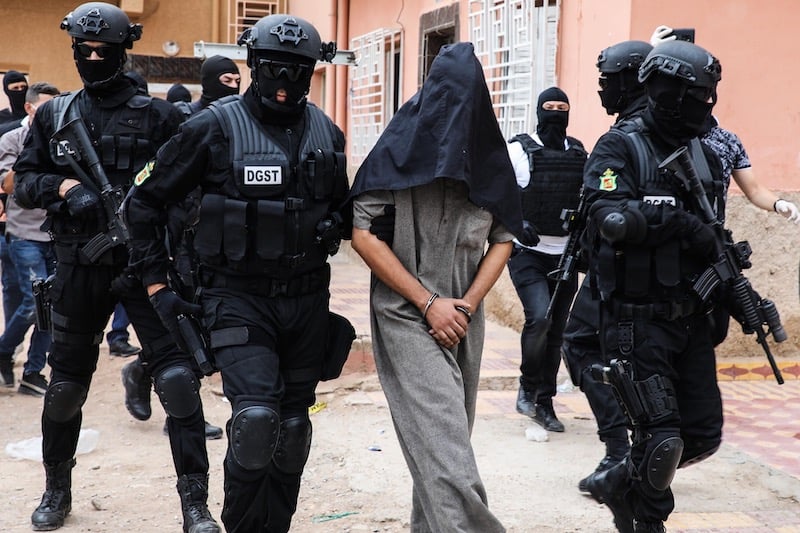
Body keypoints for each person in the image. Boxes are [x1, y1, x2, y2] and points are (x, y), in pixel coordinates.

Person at [123, 14, 349, 532]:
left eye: (297, 70)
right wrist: (157, 285)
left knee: (293, 430)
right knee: (256, 422)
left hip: (308, 302)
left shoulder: (326, 132)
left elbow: (343, 206)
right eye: (274, 68)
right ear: (253, 65)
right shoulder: (211, 128)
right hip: (236, 298)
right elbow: (142, 203)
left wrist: (336, 221)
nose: (285, 81)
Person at [12, 3, 218, 531]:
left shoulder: (162, 117)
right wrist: (64, 187)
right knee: (65, 387)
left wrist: (165, 232)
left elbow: (193, 191)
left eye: (103, 50)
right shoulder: (55, 115)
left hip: (147, 266)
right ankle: (57, 489)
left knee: (178, 383)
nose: (93, 58)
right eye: (84, 50)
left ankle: (195, 505)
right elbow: (22, 181)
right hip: (78, 265)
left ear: (123, 52)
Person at [349, 42, 531, 533]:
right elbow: (361, 232)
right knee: (448, 449)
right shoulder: (399, 149)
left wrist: (465, 306)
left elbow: (504, 239)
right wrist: (428, 302)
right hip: (404, 312)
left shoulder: (492, 161)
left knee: (444, 445)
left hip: (463, 319)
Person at [578, 39, 730, 533]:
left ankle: (619, 481)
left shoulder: (704, 154)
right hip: (637, 320)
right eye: (698, 95)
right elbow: (610, 218)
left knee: (701, 435)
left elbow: (714, 234)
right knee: (660, 439)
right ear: (669, 92)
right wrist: (680, 224)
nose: (706, 104)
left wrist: (728, 285)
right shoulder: (620, 146)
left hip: (691, 319)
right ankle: (647, 521)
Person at [563, 39, 653, 492]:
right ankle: (645, 451)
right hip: (654, 271)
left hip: (616, 272)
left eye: (607, 79)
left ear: (632, 80)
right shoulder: (674, 130)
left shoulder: (625, 137)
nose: (601, 88)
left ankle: (622, 452)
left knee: (581, 345)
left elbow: (608, 209)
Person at [506, 86, 586, 432]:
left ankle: (545, 402)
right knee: (539, 317)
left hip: (565, 255)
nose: (555, 113)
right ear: (538, 111)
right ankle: (527, 386)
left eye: (561, 108)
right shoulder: (518, 150)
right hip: (527, 253)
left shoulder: (579, 153)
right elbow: (498, 193)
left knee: (556, 330)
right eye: (549, 107)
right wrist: (516, 223)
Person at [0, 82, 60, 395]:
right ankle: (3, 351)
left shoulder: (63, 140)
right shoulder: (12, 139)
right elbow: (8, 185)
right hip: (24, 234)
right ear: (29, 108)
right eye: (46, 108)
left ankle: (33, 371)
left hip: (57, 234)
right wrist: (32, 148)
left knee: (52, 305)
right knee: (32, 304)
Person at [173, 55, 240, 118]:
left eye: (237, 81)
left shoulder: (238, 116)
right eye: (227, 81)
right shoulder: (181, 115)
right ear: (210, 82)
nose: (234, 86)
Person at [0, 70, 29, 135]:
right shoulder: (1, 116)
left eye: (23, 87)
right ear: (7, 91)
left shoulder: (33, 111)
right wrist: (26, 121)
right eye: (15, 88)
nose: (20, 90)